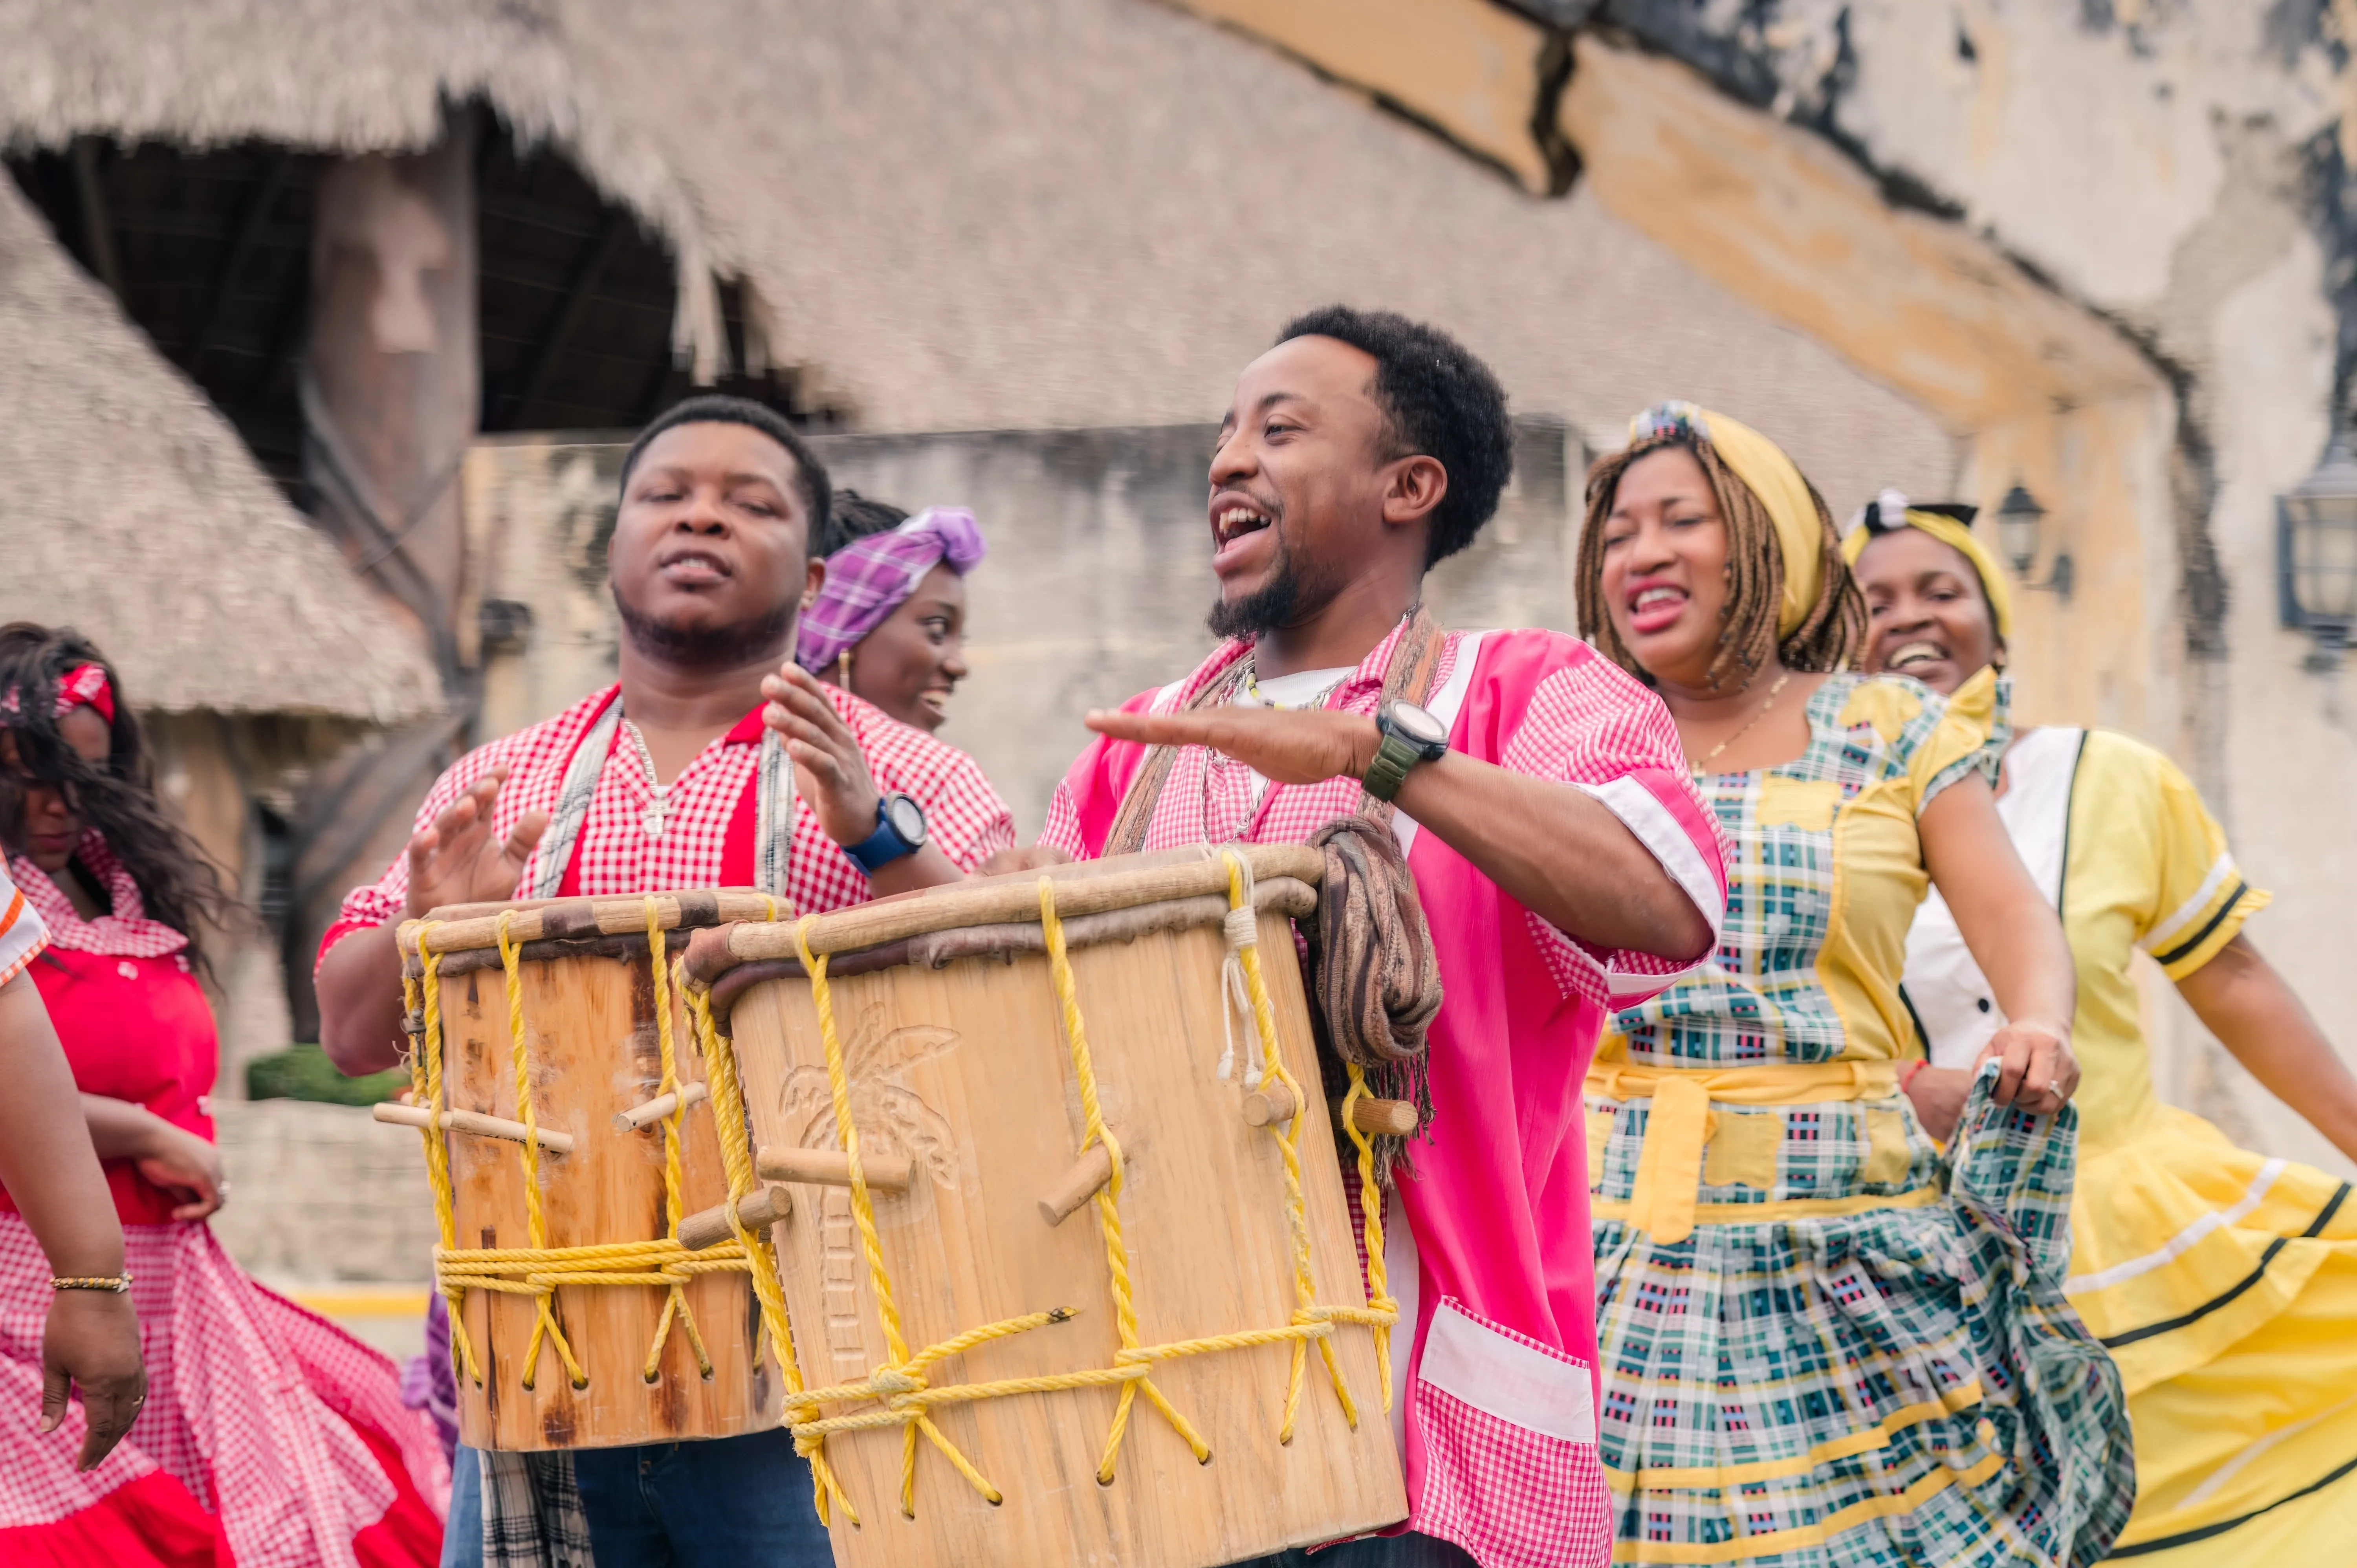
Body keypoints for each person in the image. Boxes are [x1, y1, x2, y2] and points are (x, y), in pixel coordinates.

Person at [1018, 307, 1728, 1568]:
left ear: (1410, 486)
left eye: (1277, 430)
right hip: (1160, 1425)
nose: (1226, 461)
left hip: (1423, 1449)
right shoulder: (1132, 748)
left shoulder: (1529, 688)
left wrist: (1375, 753)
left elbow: (1664, 900)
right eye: (1223, 435)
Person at [315, 394, 1018, 1568]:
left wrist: (871, 835)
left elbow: (1012, 1007)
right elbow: (347, 1033)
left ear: (813, 571)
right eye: (667, 494)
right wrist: (431, 930)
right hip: (549, 1361)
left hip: (823, 1377)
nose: (702, 517)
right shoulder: (502, 777)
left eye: (751, 504)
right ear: (613, 548)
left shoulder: (905, 776)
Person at [1574, 403, 2133, 1566]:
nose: (1640, 553)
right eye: (1617, 531)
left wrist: (2036, 1019)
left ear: (1763, 539)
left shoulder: (1889, 727)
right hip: (1603, 1243)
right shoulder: (1570, 736)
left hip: (1844, 1249)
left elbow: (2010, 914)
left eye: (1680, 518)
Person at [1849, 495, 2357, 1562]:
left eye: (1943, 592)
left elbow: (2234, 982)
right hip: (1906, 1253)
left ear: (1997, 624)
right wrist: (1897, 1087)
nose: (1911, 618)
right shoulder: (1813, 811)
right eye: (1875, 599)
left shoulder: (2110, 778)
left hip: (2135, 1221)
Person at [0, 624, 444, 1564]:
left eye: (84, 777)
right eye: (21, 774)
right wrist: (139, 1134)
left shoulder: (127, 903)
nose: (52, 803)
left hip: (178, 1294)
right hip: (28, 1294)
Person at [798, 490, 980, 735]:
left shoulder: (931, 771)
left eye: (961, 640)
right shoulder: (747, 766)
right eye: (938, 630)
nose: (959, 667)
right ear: (839, 632)